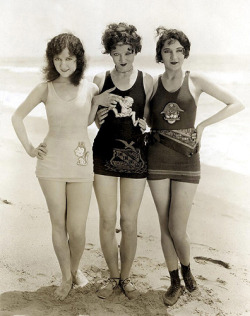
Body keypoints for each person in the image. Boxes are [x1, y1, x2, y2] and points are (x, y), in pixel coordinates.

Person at [145, 27, 244, 306]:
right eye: (167, 50)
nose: (173, 55)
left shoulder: (196, 80)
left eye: (178, 50)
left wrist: (202, 126)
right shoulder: (153, 84)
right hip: (157, 158)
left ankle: (188, 271)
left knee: (178, 227)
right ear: (160, 55)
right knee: (164, 226)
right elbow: (145, 120)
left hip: (187, 159)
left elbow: (236, 103)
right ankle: (174, 281)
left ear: (185, 53)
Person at [11, 33, 99, 300]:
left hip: (82, 162)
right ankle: (65, 276)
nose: (63, 64)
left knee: (78, 228)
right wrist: (29, 148)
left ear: (78, 59)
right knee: (58, 224)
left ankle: (75, 270)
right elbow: (17, 116)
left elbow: (83, 123)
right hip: (50, 165)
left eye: (69, 58)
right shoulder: (45, 88)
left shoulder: (91, 88)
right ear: (52, 60)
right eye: (58, 58)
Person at [91, 22, 153, 300]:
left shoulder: (148, 80)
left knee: (129, 221)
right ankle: (112, 276)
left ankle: (125, 278)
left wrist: (146, 125)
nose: (123, 59)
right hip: (104, 155)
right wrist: (96, 111)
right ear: (110, 53)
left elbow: (150, 117)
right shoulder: (99, 79)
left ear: (136, 51)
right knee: (107, 220)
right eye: (117, 53)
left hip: (136, 158)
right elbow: (91, 118)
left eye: (128, 52)